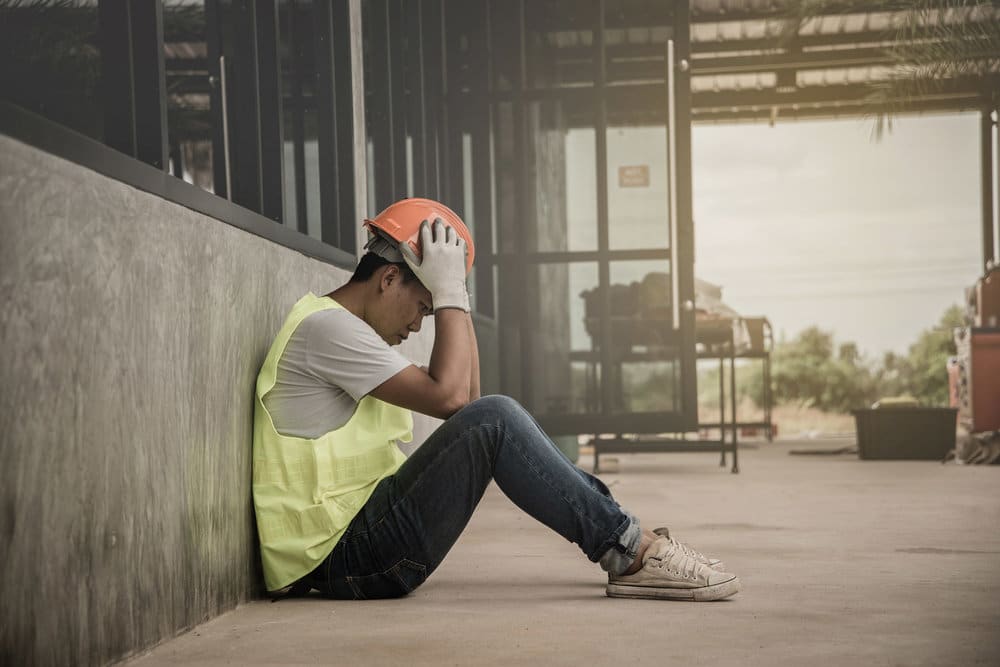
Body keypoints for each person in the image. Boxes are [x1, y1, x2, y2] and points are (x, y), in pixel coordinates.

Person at [252, 197, 740, 602]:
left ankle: (631, 543)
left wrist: (451, 294)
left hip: (358, 543)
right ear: (387, 279)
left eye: (430, 310)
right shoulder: (328, 330)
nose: (419, 324)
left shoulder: (348, 337)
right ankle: (631, 550)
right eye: (423, 307)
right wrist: (451, 298)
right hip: (345, 554)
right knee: (498, 417)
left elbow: (469, 402)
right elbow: (459, 403)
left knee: (494, 417)